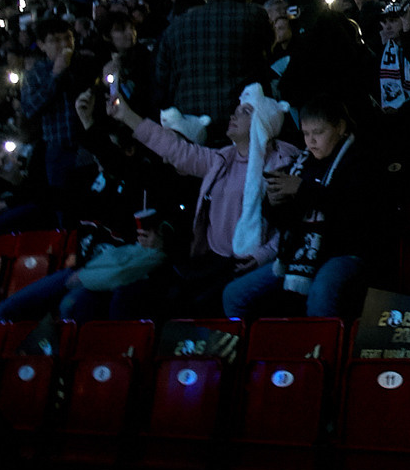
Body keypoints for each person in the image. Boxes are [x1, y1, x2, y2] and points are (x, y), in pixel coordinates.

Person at [110, 86, 300, 314]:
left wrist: (263, 255)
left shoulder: (281, 163)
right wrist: (128, 117)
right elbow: (176, 149)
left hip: (250, 263)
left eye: (245, 112)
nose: (234, 115)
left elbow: (291, 225)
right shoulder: (221, 159)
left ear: (264, 123)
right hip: (213, 261)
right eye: (237, 110)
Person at [224, 99, 384, 319]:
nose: (311, 141)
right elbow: (285, 221)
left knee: (322, 291)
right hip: (299, 254)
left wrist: (302, 190)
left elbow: (354, 214)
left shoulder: (360, 160)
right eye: (306, 133)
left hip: (346, 252)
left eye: (318, 132)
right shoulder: (302, 162)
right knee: (233, 295)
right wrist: (274, 202)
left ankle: (321, 350)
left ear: (340, 127)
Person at [0, 218, 176, 323]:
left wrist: (84, 277)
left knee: (69, 307)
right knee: (5, 311)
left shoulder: (144, 225)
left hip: (102, 283)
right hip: (80, 270)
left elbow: (121, 272)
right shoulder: (85, 180)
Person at [154, 0, 275, 121]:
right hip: (238, 116)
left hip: (188, 119)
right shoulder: (253, 15)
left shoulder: (177, 26)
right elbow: (269, 50)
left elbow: (161, 78)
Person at [17, 17, 93, 191]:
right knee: (63, 202)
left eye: (67, 37)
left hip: (89, 145)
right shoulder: (35, 73)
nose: (64, 44)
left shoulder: (85, 62)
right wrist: (55, 75)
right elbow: (30, 108)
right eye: (55, 40)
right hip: (59, 148)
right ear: (42, 45)